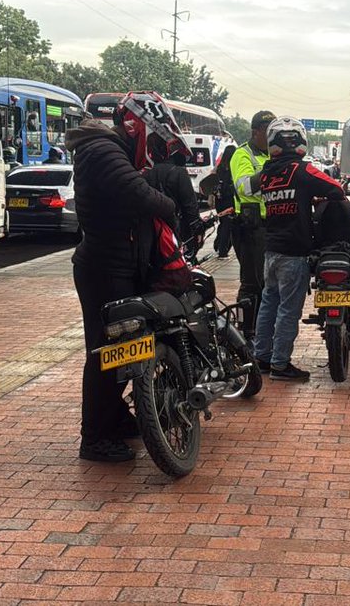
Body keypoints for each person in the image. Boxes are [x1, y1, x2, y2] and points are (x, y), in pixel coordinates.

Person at [66, 92, 183, 463]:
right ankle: (96, 438)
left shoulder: (107, 148)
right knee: (105, 352)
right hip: (105, 269)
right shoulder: (103, 150)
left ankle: (116, 419)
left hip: (117, 266)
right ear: (137, 128)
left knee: (122, 351)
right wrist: (170, 206)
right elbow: (137, 193)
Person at [254, 117, 346, 380]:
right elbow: (336, 189)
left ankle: (262, 357)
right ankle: (280, 365)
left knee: (268, 305)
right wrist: (316, 198)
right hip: (294, 253)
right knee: (287, 311)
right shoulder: (302, 170)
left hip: (270, 251)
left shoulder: (268, 172)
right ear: (300, 141)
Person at [229, 110, 276, 337]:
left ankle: (264, 329)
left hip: (273, 225)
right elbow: (245, 187)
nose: (271, 137)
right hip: (250, 226)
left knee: (269, 283)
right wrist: (270, 172)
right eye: (268, 132)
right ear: (255, 132)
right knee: (252, 282)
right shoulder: (242, 155)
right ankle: (247, 331)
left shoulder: (274, 155)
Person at [212, 144, 237, 258]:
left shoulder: (219, 168)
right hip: (229, 201)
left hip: (219, 200)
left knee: (223, 223)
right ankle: (222, 250)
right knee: (228, 225)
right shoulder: (232, 169)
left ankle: (218, 245)